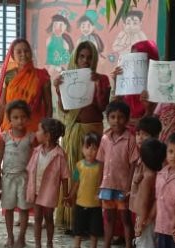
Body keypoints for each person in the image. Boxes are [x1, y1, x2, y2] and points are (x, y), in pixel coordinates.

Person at [55, 41, 110, 231]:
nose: (85, 60)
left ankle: (90, 223)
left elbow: (102, 107)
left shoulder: (101, 79)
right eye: (82, 57)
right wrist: (58, 90)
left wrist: (98, 86)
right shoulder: (67, 78)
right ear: (76, 58)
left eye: (89, 57)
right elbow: (64, 109)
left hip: (92, 132)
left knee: (92, 175)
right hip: (73, 129)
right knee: (73, 173)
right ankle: (72, 220)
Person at [93, 101, 139, 248]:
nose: (116, 121)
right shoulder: (105, 138)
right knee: (108, 218)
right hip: (107, 185)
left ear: (127, 119)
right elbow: (101, 162)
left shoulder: (130, 139)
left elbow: (133, 164)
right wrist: (99, 185)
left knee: (126, 219)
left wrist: (129, 187)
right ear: (108, 118)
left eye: (120, 117)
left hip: (122, 187)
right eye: (112, 117)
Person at [122, 116, 164, 248]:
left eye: (144, 134)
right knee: (143, 245)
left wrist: (143, 219)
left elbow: (149, 198)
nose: (139, 137)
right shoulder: (143, 158)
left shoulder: (152, 162)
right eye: (138, 133)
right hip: (140, 210)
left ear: (155, 136)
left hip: (144, 214)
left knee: (145, 245)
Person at [0, 39, 53, 143]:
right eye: (19, 52)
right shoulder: (9, 76)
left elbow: (48, 105)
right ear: (13, 55)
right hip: (10, 127)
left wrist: (46, 129)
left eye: (26, 51)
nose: (23, 54)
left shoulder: (42, 76)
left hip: (32, 130)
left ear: (31, 53)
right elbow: (2, 105)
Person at [26, 118, 69, 248]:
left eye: (39, 130)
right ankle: (37, 245)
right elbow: (30, 170)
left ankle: (50, 244)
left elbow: (65, 176)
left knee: (49, 218)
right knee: (37, 218)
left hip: (50, 191)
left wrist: (66, 195)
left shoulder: (59, 155)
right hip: (36, 190)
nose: (36, 133)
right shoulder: (37, 151)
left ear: (48, 136)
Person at [0, 101, 34, 248]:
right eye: (16, 117)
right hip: (7, 178)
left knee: (24, 209)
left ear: (28, 118)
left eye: (23, 117)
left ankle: (21, 237)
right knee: (9, 208)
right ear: (9, 119)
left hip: (24, 178)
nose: (20, 120)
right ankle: (10, 236)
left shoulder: (31, 138)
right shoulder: (4, 137)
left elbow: (34, 159)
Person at [132, 139, 164, 248]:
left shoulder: (148, 178)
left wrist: (141, 222)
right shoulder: (154, 175)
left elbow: (145, 202)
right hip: (147, 218)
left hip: (145, 220)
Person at [69, 133, 104, 248]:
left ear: (99, 150)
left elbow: (102, 183)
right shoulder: (79, 165)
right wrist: (70, 196)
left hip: (95, 204)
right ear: (82, 149)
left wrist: (101, 196)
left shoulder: (101, 166)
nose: (90, 151)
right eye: (87, 147)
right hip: (81, 202)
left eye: (94, 148)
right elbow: (76, 183)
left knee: (94, 228)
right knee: (78, 228)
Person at [111, 40, 160, 126]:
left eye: (139, 59)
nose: (135, 64)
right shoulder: (128, 83)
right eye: (133, 58)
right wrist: (117, 84)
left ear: (151, 60)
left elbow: (154, 122)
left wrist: (148, 110)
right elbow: (115, 111)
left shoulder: (160, 86)